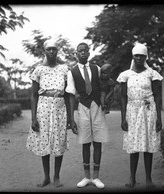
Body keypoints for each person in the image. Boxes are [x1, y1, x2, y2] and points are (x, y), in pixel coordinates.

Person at [117, 43, 163, 189]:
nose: (139, 58)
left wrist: (159, 118)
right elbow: (123, 97)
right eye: (136, 55)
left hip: (148, 111)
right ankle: (132, 178)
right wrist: (123, 117)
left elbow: (157, 96)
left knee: (148, 145)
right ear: (133, 56)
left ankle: (148, 179)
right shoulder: (126, 75)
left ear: (145, 57)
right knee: (134, 145)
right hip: (132, 111)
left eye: (141, 55)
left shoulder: (152, 74)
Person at [26, 39, 70, 188]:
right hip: (43, 108)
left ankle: (57, 176)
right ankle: (46, 177)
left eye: (54, 49)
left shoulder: (64, 69)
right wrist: (33, 118)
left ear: (57, 51)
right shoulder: (38, 70)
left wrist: (71, 117)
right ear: (45, 51)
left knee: (59, 141)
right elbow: (33, 95)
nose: (51, 51)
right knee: (44, 142)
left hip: (59, 108)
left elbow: (69, 93)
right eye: (49, 49)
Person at [66, 42, 109, 189]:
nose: (83, 53)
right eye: (80, 51)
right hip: (83, 107)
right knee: (85, 142)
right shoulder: (72, 72)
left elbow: (104, 86)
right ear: (76, 54)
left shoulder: (96, 68)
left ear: (89, 53)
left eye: (85, 50)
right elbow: (71, 95)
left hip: (97, 107)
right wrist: (71, 119)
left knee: (97, 142)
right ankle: (86, 177)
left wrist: (105, 100)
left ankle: (96, 177)